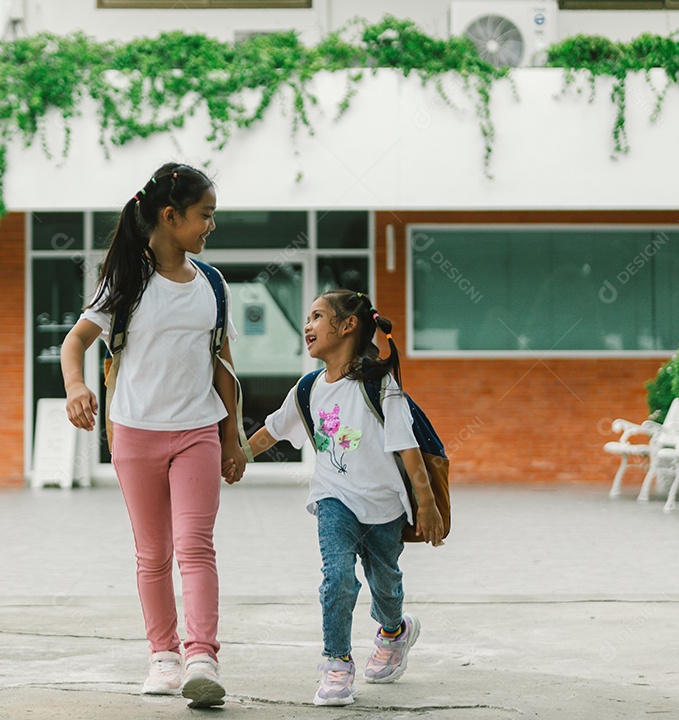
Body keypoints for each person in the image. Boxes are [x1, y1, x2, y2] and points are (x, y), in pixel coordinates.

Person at [61, 162, 248, 709]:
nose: (211, 225)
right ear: (170, 216)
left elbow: (224, 366)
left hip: (197, 433)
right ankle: (163, 656)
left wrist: (233, 436)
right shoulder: (126, 281)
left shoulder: (212, 284)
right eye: (204, 215)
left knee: (195, 545)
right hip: (135, 436)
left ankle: (202, 658)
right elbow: (75, 343)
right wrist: (76, 387)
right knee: (153, 553)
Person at [236, 289, 444, 707]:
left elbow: (408, 450)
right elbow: (272, 430)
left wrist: (427, 505)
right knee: (337, 579)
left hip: (384, 507)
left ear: (348, 325)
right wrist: (236, 458)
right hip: (334, 499)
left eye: (316, 316)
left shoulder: (380, 385)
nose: (307, 326)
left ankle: (394, 631)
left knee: (385, 586)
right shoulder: (309, 387)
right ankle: (336, 663)